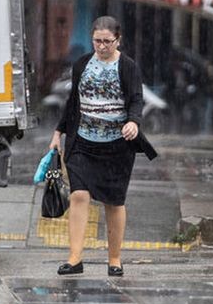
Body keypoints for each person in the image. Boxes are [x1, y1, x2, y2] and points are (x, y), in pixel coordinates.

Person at [49, 16, 157, 277]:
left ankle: (115, 258)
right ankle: (75, 258)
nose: (101, 46)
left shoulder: (128, 66)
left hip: (117, 146)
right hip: (83, 142)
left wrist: (133, 122)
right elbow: (73, 101)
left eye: (107, 41)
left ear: (118, 40)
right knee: (78, 195)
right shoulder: (82, 64)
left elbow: (136, 99)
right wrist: (58, 133)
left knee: (114, 201)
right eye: (97, 41)